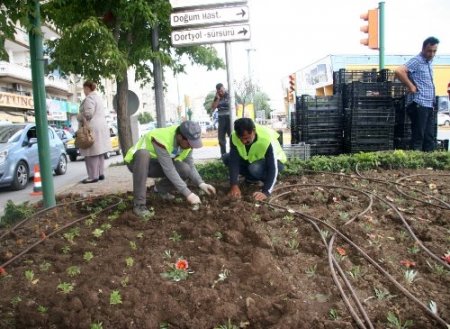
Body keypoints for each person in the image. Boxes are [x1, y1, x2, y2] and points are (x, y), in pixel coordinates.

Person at [124, 120, 217, 218]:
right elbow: (169, 169)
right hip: (137, 163)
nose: (191, 146)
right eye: (189, 143)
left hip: (157, 164)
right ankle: (139, 205)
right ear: (180, 137)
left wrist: (201, 183)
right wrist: (188, 194)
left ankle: (160, 190)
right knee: (143, 154)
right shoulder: (161, 138)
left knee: (185, 169)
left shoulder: (187, 141)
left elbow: (190, 164)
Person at [223, 118, 286, 201]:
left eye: (247, 138)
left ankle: (269, 180)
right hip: (253, 161)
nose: (244, 142)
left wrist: (266, 191)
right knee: (227, 158)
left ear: (253, 131)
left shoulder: (266, 138)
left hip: (277, 163)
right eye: (241, 139)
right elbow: (234, 161)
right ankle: (252, 179)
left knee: (254, 168)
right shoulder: (234, 136)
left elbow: (272, 166)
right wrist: (234, 185)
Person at [395, 36, 439, 151]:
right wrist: (411, 86)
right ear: (423, 49)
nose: (432, 54)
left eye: (434, 51)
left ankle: (428, 164)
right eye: (429, 51)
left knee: (429, 136)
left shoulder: (429, 63)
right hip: (419, 102)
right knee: (418, 135)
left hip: (428, 104)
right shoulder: (417, 60)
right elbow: (399, 71)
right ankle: (416, 162)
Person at [77, 80, 111, 183]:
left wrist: (80, 116)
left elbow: (88, 114)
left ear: (87, 88)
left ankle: (92, 176)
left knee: (90, 153)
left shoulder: (89, 98)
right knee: (99, 152)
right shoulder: (98, 97)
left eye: (84, 88)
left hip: (92, 128)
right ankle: (100, 174)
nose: (83, 91)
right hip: (101, 127)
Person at [211, 83, 230, 156]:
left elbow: (236, 106)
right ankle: (223, 155)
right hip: (221, 118)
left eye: (222, 90)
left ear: (224, 88)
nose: (221, 92)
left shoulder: (229, 95)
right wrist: (218, 99)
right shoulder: (217, 97)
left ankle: (233, 154)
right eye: (219, 91)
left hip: (229, 117)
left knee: (231, 137)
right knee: (221, 138)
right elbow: (213, 108)